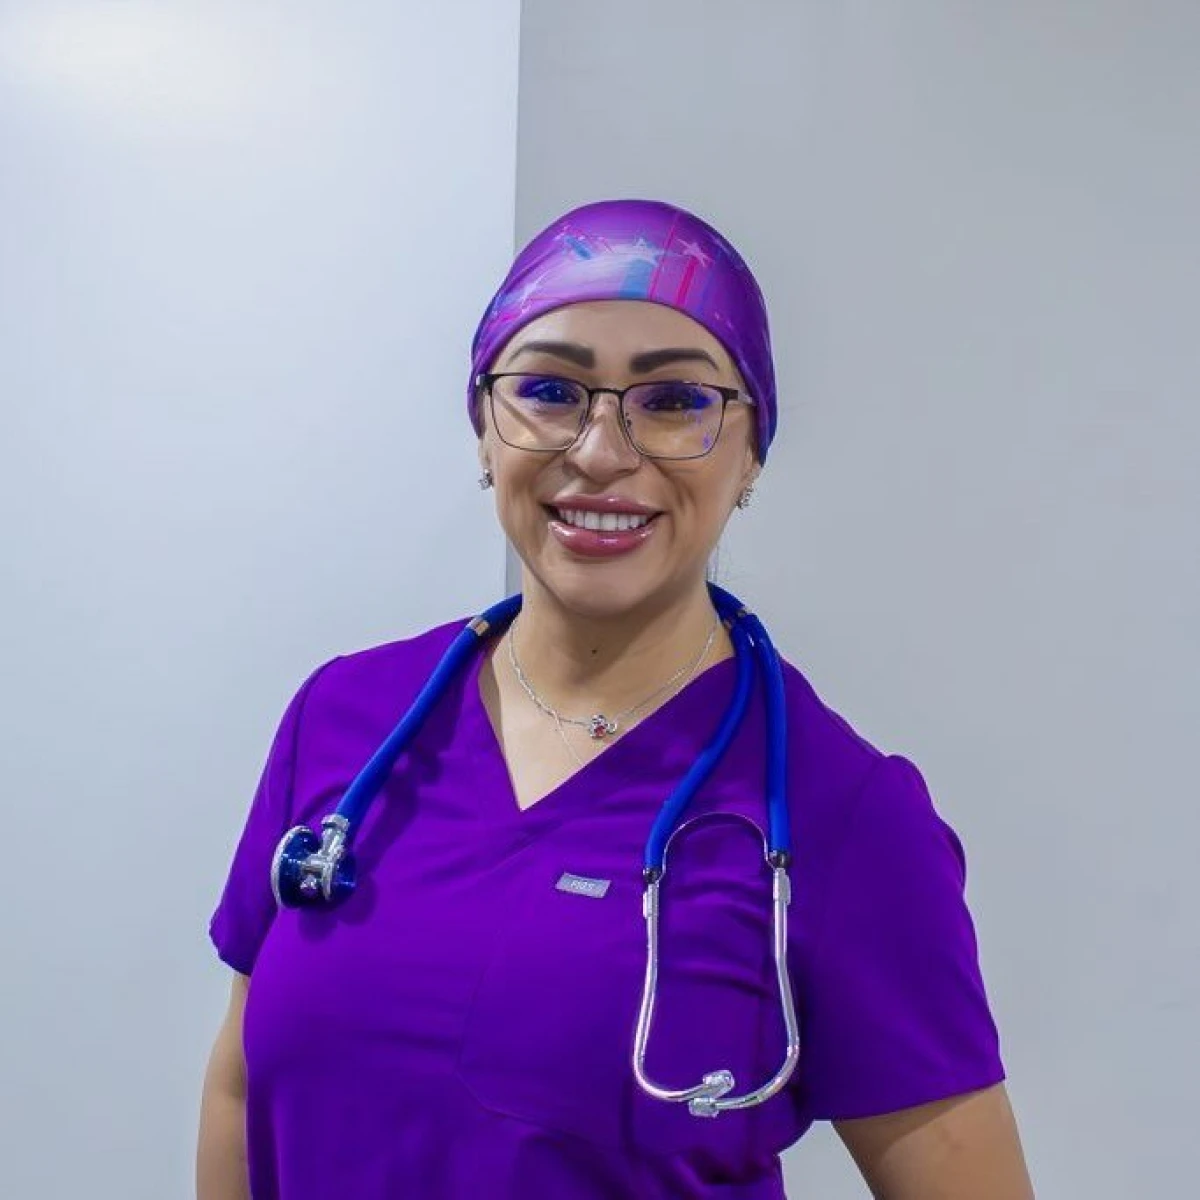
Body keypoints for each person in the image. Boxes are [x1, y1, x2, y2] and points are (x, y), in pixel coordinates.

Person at [197, 199, 1034, 1198]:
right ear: (484, 429)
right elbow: (240, 1091)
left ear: (751, 452)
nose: (600, 452)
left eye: (673, 401)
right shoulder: (348, 717)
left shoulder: (843, 814)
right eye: (550, 391)